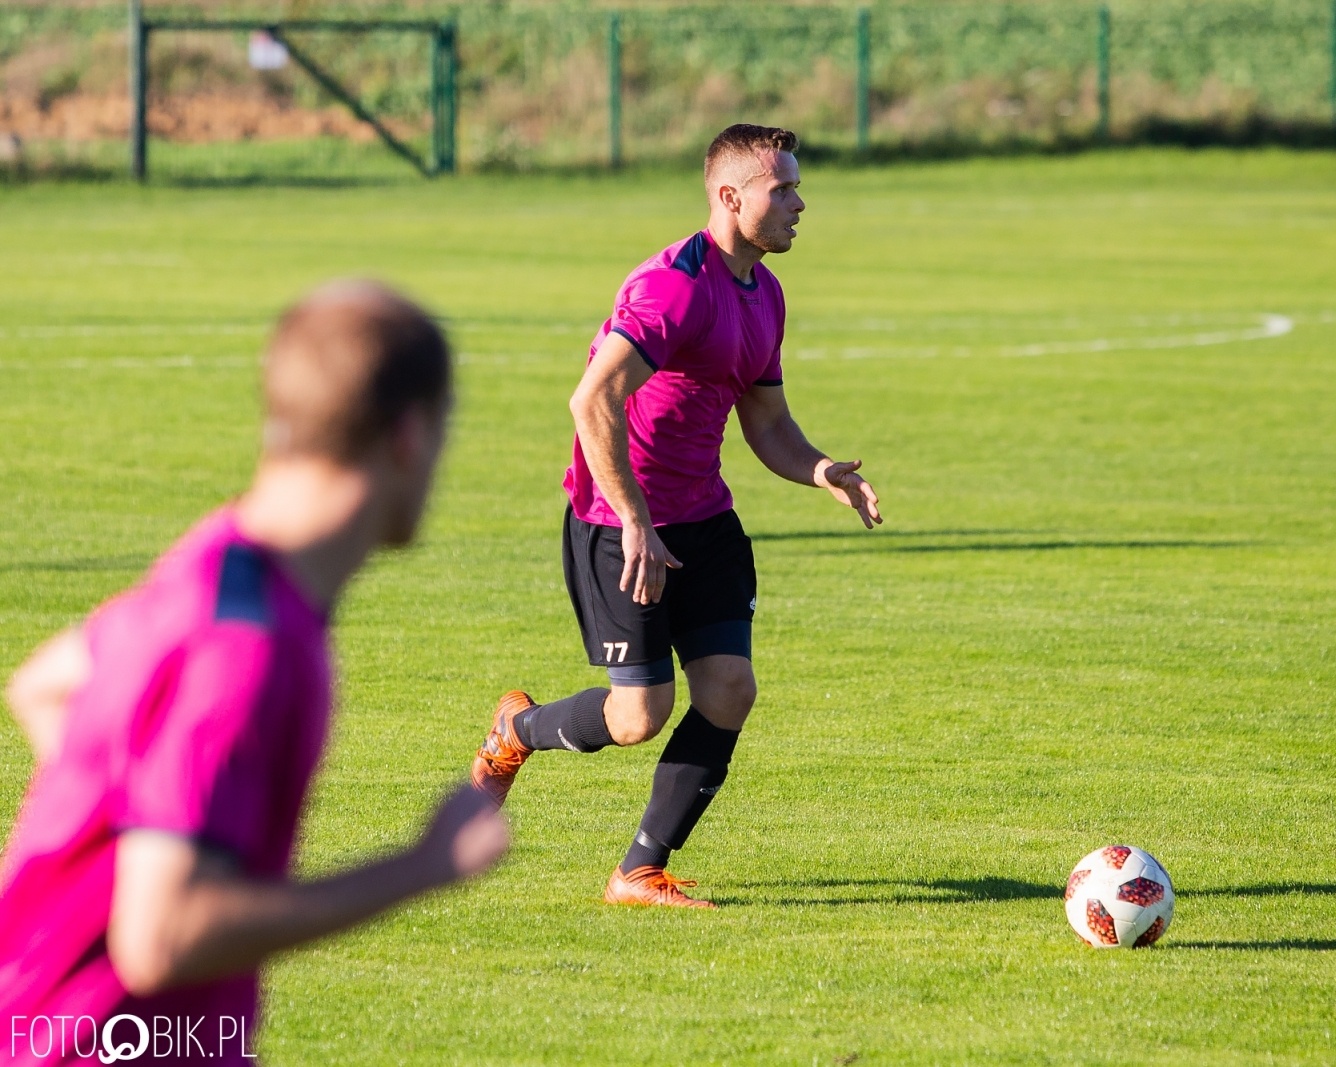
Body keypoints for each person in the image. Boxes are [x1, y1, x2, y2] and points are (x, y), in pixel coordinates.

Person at [0, 281, 509, 1066]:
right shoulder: (250, 649)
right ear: (410, 436)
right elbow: (161, 938)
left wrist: (123, 831)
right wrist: (421, 866)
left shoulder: (218, 557)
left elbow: (45, 683)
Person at [470, 123, 882, 908]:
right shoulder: (673, 286)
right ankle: (514, 734)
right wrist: (633, 517)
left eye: (797, 185)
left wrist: (820, 467)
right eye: (783, 188)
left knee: (729, 689)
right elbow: (593, 398)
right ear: (731, 197)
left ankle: (637, 871)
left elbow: (766, 424)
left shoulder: (765, 293)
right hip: (615, 521)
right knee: (637, 716)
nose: (799, 202)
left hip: (703, 517)